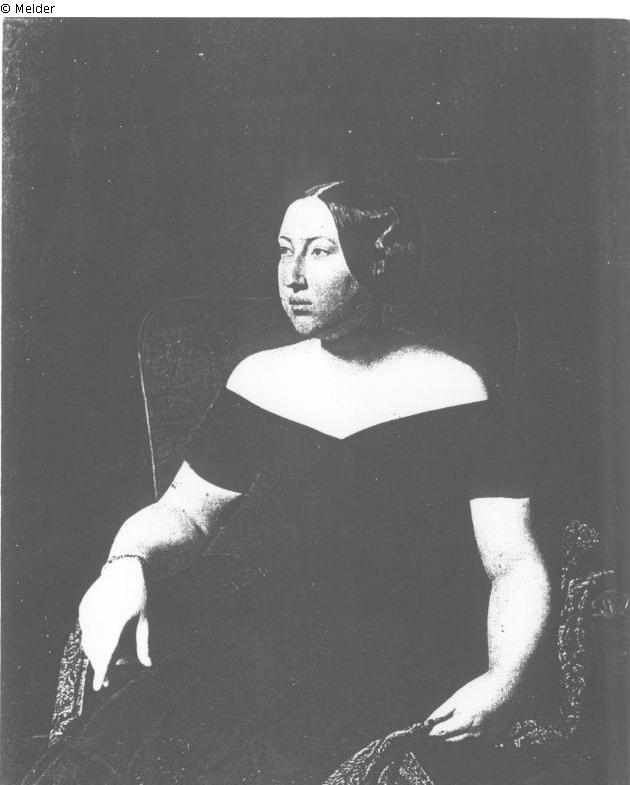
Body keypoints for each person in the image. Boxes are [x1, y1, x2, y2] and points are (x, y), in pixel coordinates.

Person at [76, 180, 552, 785]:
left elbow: (513, 561)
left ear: (378, 261)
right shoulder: (259, 380)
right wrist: (126, 562)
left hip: (415, 659)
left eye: (321, 251)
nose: (293, 275)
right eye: (284, 250)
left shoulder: (458, 389)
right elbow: (187, 513)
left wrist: (504, 678)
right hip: (277, 653)